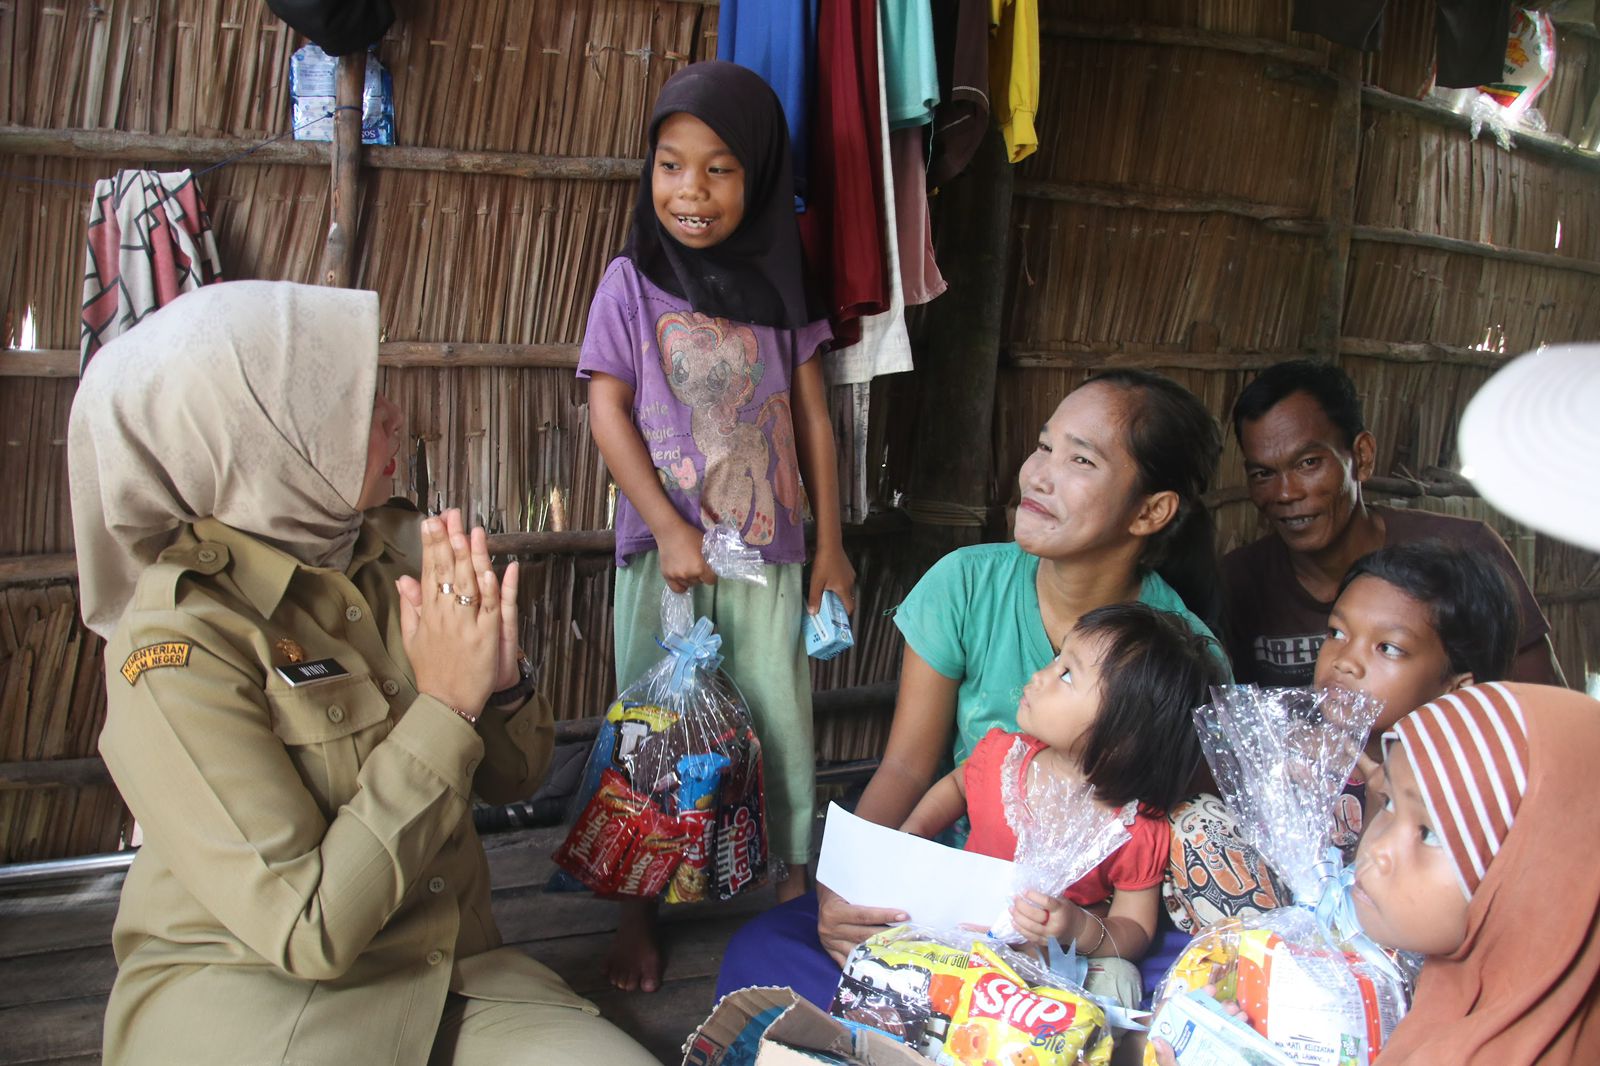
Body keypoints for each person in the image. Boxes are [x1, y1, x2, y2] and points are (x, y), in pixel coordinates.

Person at [68, 282, 656, 1066]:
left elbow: (516, 781)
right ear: (263, 436)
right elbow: (307, 929)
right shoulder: (178, 642)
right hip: (257, 1007)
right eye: (356, 399)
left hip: (449, 978)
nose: (392, 417)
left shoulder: (400, 554)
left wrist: (502, 681)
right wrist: (446, 705)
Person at [715, 368, 1230, 1008]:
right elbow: (907, 765)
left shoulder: (1186, 656)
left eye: (1080, 460)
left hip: (1087, 926)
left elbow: (1169, 832)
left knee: (1172, 1005)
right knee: (766, 958)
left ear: (1151, 510)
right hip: (945, 896)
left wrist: (1088, 934)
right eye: (1044, 446)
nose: (1037, 474)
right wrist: (846, 889)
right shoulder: (965, 584)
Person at [578, 60, 854, 993]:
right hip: (666, 564)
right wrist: (666, 526)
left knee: (778, 722)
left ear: (763, 177)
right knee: (653, 732)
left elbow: (815, 422)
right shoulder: (630, 283)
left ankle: (789, 892)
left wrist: (832, 547)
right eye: (669, 164)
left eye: (719, 169)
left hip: (766, 557)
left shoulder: (784, 287)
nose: (688, 191)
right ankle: (636, 910)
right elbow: (608, 412)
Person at [1154, 682, 1600, 1065]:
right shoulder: (1458, 1005)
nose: (1379, 849)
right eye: (1388, 803)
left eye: (1429, 834)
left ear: (1544, 876)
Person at [901, 604, 1224, 1008]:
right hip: (968, 931)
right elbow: (955, 786)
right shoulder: (1003, 756)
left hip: (1062, 962)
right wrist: (914, 833)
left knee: (1120, 980)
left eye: (1066, 674)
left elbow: (1135, 930)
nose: (1040, 676)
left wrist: (1077, 928)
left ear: (1123, 737)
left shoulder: (1133, 827)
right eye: (1057, 659)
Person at [1220, 359, 1560, 689]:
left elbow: (1545, 704)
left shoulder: (1463, 552)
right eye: (1263, 473)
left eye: (1308, 463)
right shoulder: (1237, 583)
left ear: (1362, 457)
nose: (1285, 493)